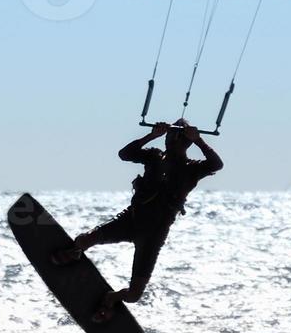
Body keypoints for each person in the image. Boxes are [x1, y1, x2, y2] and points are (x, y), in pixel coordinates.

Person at [52, 119, 224, 322]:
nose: (173, 140)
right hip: (130, 221)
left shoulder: (191, 169)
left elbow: (217, 164)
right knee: (83, 241)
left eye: (179, 137)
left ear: (187, 143)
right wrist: (152, 135)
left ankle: (110, 299)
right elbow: (125, 154)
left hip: (153, 235)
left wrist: (199, 140)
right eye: (171, 136)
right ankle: (74, 252)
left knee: (134, 296)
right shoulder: (154, 157)